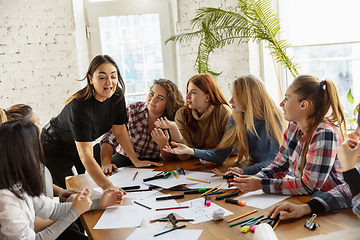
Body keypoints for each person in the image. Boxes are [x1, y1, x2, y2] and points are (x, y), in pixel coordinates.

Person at [40, 55, 162, 190]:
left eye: (113, 76)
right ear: (91, 79)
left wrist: (136, 161)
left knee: (86, 187)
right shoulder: (79, 107)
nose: (109, 82)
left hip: (76, 145)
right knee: (72, 192)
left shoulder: (116, 95)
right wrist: (108, 186)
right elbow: (85, 154)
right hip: (54, 146)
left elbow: (120, 130)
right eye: (102, 77)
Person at [0, 119, 124, 240]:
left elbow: (52, 210)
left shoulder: (19, 184)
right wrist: (75, 211)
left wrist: (100, 202)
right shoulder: (7, 201)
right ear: (25, 153)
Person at [227, 75, 346, 195]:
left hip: (331, 205)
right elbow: (279, 166)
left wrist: (260, 184)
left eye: (287, 98)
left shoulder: (325, 133)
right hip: (307, 200)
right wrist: (252, 180)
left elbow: (310, 186)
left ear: (303, 105)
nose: (281, 103)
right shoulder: (293, 127)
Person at [163, 75, 285, 175]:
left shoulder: (273, 117)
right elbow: (221, 155)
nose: (231, 101)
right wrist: (191, 151)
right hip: (255, 169)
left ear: (248, 98)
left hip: (275, 173)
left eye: (235, 97)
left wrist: (243, 171)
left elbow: (273, 161)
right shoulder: (237, 116)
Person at [0, 104, 85, 236]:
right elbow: (34, 225)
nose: (41, 126)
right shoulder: (9, 196)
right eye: (37, 123)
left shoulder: (26, 160)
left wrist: (60, 192)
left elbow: (36, 191)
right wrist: (72, 212)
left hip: (47, 215)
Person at [268, 103, 360, 220]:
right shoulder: (293, 127)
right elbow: (346, 192)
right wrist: (305, 208)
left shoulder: (325, 132)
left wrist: (349, 169)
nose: (356, 132)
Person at [98, 79, 185, 174]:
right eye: (151, 94)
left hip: (153, 166)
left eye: (160, 98)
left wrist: (164, 145)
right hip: (123, 162)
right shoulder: (132, 110)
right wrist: (106, 163)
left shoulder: (171, 122)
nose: (153, 99)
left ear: (168, 104)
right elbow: (108, 138)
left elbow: (170, 159)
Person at [155, 73, 232, 160]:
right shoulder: (182, 114)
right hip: (196, 167)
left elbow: (233, 150)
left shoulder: (223, 112)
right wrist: (173, 127)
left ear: (207, 97)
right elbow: (184, 155)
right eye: (187, 91)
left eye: (193, 92)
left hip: (225, 165)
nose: (187, 96)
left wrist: (197, 152)